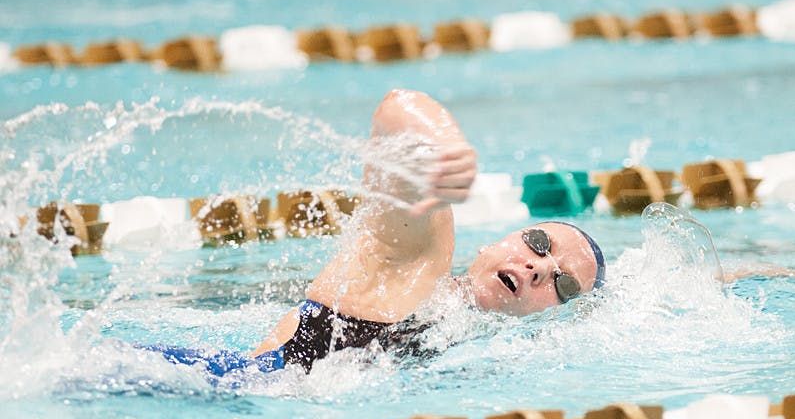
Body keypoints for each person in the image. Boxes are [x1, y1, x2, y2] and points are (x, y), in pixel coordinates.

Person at [150, 90, 604, 381]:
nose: (540, 267)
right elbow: (395, 110)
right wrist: (446, 144)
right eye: (539, 244)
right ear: (493, 243)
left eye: (564, 284)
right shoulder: (419, 260)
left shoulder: (489, 355)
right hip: (202, 383)